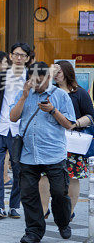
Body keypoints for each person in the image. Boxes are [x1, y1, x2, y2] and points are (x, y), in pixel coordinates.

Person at [9, 62, 75, 243]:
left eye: (41, 80)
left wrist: (53, 111)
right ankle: (34, 231)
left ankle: (63, 223)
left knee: (59, 192)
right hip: (28, 154)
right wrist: (23, 96)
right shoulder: (24, 94)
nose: (37, 84)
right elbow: (13, 117)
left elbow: (69, 124)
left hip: (54, 153)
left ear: (49, 78)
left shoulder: (61, 96)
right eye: (33, 80)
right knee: (28, 194)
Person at [42, 60, 93, 219]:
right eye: (54, 72)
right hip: (51, 140)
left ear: (67, 72)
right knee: (44, 174)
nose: (56, 75)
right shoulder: (50, 91)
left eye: (58, 71)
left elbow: (91, 116)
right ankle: (43, 210)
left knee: (73, 176)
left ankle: (69, 212)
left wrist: (75, 123)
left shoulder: (79, 93)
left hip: (73, 143)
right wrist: (48, 76)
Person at [0, 43, 31, 219]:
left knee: (18, 169)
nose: (19, 58)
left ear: (27, 58)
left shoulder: (30, 77)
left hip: (19, 131)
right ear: (10, 56)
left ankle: (14, 205)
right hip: (0, 128)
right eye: (16, 54)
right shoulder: (1, 77)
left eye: (23, 55)